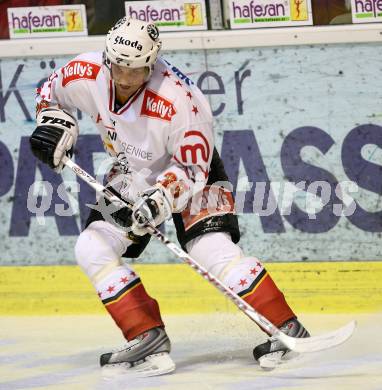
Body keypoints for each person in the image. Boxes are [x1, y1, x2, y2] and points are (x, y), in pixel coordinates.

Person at [30, 17, 309, 376]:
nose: (125, 79)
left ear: (153, 63)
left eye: (136, 71)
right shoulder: (84, 72)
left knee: (210, 249)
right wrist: (54, 123)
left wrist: (161, 200)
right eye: (117, 67)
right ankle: (146, 337)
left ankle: (284, 327)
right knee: (91, 247)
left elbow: (194, 169)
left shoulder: (183, 100)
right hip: (131, 174)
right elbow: (48, 93)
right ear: (106, 57)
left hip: (193, 174)